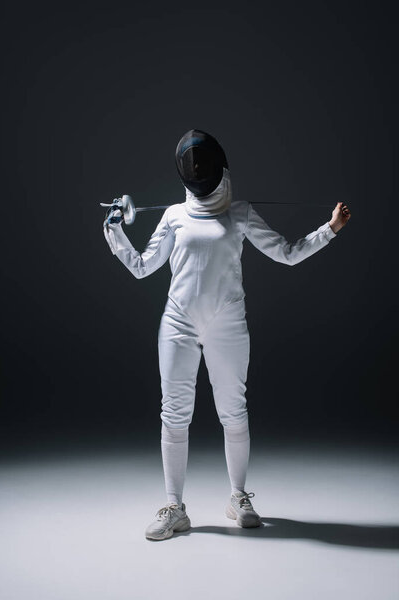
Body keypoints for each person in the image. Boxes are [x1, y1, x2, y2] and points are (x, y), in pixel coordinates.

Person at [103, 129, 351, 541]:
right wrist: (114, 232)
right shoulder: (173, 217)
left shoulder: (241, 213)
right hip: (178, 323)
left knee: (233, 412)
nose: (199, 170)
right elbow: (143, 266)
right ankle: (175, 507)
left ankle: (238, 497)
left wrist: (330, 229)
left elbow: (287, 254)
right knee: (174, 415)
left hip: (228, 323)